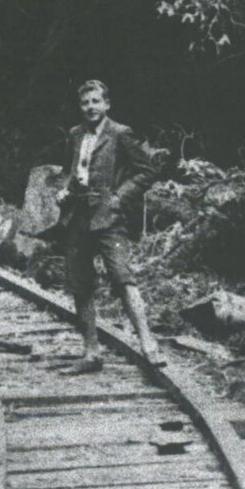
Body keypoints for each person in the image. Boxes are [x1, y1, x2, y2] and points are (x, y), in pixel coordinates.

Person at [57, 79, 165, 371]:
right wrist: (63, 189)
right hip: (77, 217)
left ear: (106, 104)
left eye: (95, 101)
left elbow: (146, 172)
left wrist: (119, 198)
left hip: (108, 217)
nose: (90, 107)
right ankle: (91, 352)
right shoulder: (74, 134)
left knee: (122, 277)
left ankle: (148, 344)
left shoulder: (120, 134)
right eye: (85, 102)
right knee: (80, 285)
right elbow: (69, 170)